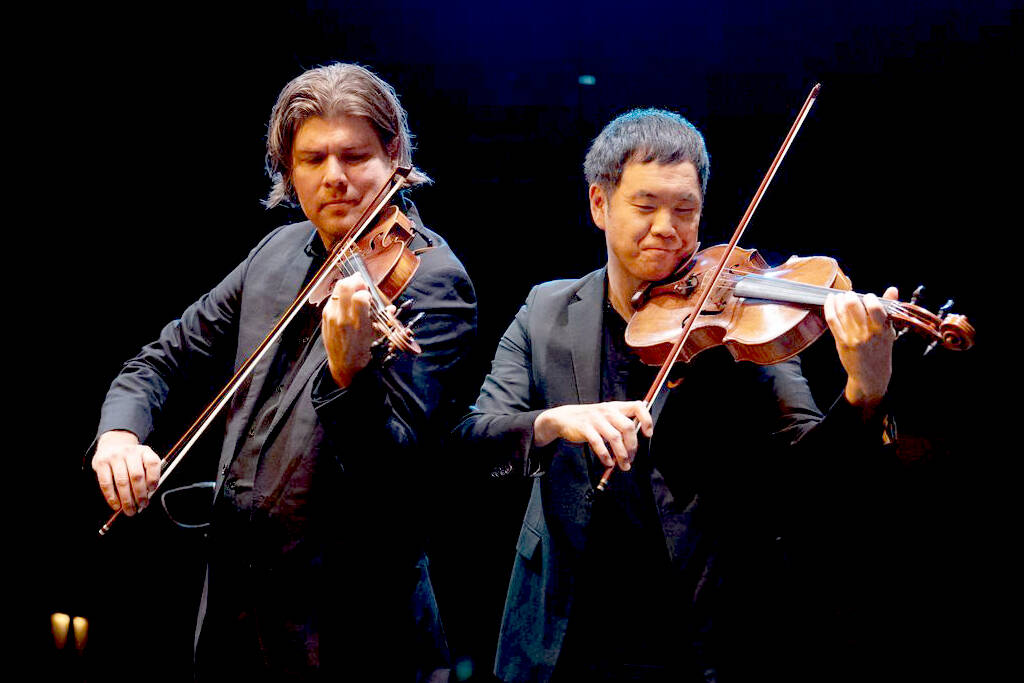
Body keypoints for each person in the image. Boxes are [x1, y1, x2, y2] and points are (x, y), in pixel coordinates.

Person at [454, 109, 897, 682]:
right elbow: (473, 441)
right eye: (645, 206)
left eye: (685, 210)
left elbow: (812, 479)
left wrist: (866, 389)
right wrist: (552, 422)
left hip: (702, 636)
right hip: (566, 636)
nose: (666, 227)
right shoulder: (546, 312)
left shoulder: (737, 322)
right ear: (599, 205)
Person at [90, 63, 477, 680]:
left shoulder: (432, 283)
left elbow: (396, 472)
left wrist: (350, 376)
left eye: (354, 156)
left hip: (349, 634)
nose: (335, 178)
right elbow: (161, 359)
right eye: (312, 159)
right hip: (236, 621)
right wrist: (120, 434)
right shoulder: (274, 254)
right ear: (287, 169)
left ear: (394, 153)